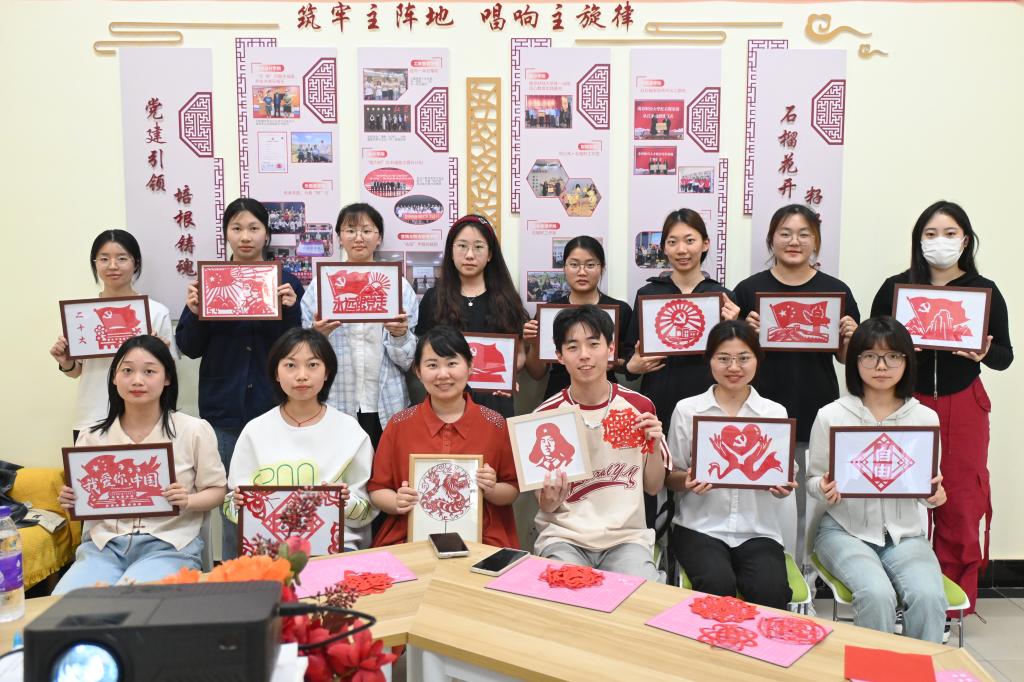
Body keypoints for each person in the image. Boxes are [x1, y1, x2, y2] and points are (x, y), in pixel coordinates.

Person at [870, 200, 1012, 616]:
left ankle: (952, 605)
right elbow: (870, 343)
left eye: (950, 234)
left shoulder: (984, 290)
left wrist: (983, 353)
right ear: (919, 241)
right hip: (902, 402)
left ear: (965, 241)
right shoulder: (896, 288)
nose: (940, 242)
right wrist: (894, 348)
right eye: (930, 234)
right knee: (896, 496)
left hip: (962, 401)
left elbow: (1004, 356)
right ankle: (897, 597)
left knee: (960, 500)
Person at [175, 197, 304, 559]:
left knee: (278, 494)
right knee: (232, 501)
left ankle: (282, 569)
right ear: (226, 234)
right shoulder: (209, 282)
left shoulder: (287, 283)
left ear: (266, 234)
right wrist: (195, 312)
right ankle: (236, 573)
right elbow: (188, 347)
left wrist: (290, 312)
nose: (245, 236)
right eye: (237, 228)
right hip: (224, 410)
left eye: (253, 228)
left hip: (275, 409)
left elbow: (298, 350)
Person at [733, 203, 859, 571]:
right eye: (785, 233)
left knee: (809, 498)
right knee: (760, 495)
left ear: (816, 241)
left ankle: (805, 574)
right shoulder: (749, 290)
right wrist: (747, 334)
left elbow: (846, 358)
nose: (794, 241)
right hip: (759, 410)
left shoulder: (835, 291)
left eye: (804, 234)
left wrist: (850, 339)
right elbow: (733, 356)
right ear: (771, 239)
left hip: (815, 405)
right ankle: (766, 568)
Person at [808, 317, 948, 642]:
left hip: (905, 535)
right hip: (843, 531)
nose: (881, 366)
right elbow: (813, 480)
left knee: (929, 597)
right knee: (876, 594)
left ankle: (919, 667)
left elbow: (927, 487)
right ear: (855, 361)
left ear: (907, 361)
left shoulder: (925, 417)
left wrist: (934, 495)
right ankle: (874, 667)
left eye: (892, 356)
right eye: (870, 356)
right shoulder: (831, 415)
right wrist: (823, 487)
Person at [54, 335, 227, 593]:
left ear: (167, 378)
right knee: (65, 603)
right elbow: (85, 501)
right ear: (114, 377)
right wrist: (73, 499)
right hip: (104, 547)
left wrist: (188, 500)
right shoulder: (92, 436)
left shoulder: (194, 430)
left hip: (169, 547)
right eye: (127, 371)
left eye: (149, 371)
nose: (137, 380)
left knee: (133, 603)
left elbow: (218, 490)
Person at [666, 320, 797, 609]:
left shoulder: (774, 413)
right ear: (709, 360)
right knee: (716, 585)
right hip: (699, 527)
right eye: (723, 358)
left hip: (757, 530)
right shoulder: (687, 410)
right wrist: (685, 481)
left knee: (771, 591)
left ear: (757, 359)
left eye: (743, 358)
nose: (734, 367)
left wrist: (784, 487)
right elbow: (670, 474)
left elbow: (784, 478)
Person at [623, 209, 739, 531]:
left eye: (690, 240)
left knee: (700, 483)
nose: (682, 249)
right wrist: (633, 365)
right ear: (663, 248)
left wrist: (734, 327)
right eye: (672, 242)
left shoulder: (723, 297)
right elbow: (629, 357)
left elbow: (737, 359)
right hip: (659, 397)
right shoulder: (648, 294)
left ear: (705, 244)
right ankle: (653, 544)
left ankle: (694, 542)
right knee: (653, 483)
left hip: (708, 404)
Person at [534, 305, 668, 581]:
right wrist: (549, 498)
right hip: (564, 537)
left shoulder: (640, 408)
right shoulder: (545, 417)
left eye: (594, 344)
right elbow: (546, 506)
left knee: (641, 595)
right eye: (573, 347)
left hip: (626, 538)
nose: (584, 355)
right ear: (559, 356)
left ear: (610, 349)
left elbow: (653, 487)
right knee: (563, 594)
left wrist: (654, 445)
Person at [368, 326, 520, 548]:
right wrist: (396, 501)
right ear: (418, 371)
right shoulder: (399, 424)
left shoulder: (494, 424)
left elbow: (512, 489)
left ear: (470, 366)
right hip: (409, 536)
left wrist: (492, 489)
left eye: (452, 363)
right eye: (432, 365)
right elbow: (377, 489)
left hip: (482, 537)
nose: (442, 374)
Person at [227, 328, 376, 551]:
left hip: (335, 544)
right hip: (269, 544)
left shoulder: (350, 431)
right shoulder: (255, 430)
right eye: (290, 365)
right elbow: (231, 505)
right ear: (276, 373)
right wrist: (239, 503)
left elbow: (366, 509)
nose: (302, 375)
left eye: (313, 365)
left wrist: (345, 501)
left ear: (327, 372)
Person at [300, 203, 417, 449]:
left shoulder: (399, 286)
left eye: (367, 230)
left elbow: (408, 361)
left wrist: (400, 335)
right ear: (339, 237)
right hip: (337, 401)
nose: (359, 238)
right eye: (350, 230)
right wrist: (317, 337)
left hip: (387, 401)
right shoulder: (320, 287)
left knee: (385, 469)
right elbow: (304, 353)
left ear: (379, 237)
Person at [50, 230, 173, 443]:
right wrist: (66, 362)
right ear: (95, 264)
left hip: (145, 419)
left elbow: (168, 374)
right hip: (92, 417)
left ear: (136, 263)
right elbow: (76, 371)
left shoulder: (156, 312)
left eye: (122, 258)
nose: (113, 266)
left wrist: (160, 354)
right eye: (104, 259)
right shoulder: (80, 313)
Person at [415, 214, 528, 417]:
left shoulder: (507, 299)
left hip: (495, 399)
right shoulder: (433, 298)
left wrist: (508, 377)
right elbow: (423, 353)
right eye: (462, 246)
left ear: (490, 254)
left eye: (478, 247)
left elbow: (519, 354)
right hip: (446, 400)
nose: (469, 255)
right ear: (451, 251)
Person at [523, 236, 632, 400]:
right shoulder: (548, 312)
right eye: (574, 265)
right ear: (564, 268)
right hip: (559, 395)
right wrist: (533, 344)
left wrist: (612, 362)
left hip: (605, 395)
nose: (582, 272)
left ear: (602, 268)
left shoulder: (621, 310)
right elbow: (536, 373)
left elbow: (630, 367)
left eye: (590, 265)